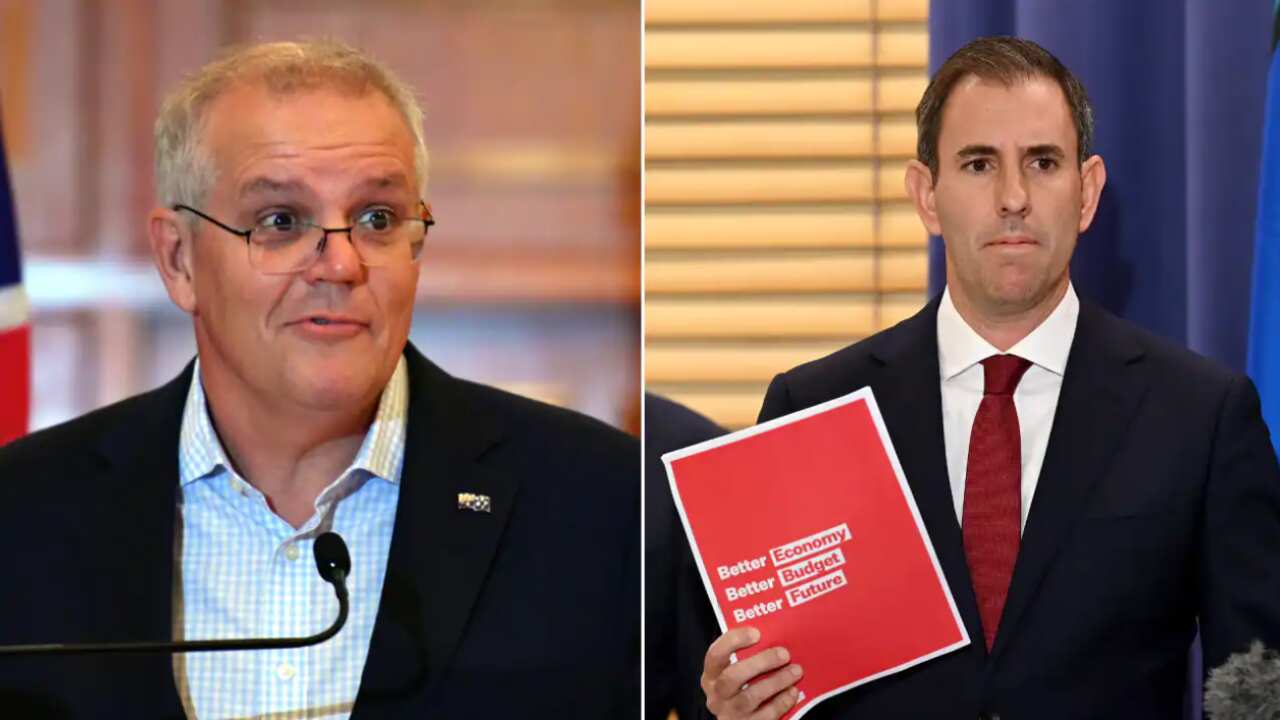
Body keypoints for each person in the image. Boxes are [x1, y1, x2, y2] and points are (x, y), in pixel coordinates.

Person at [0, 40, 638, 718]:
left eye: (377, 219)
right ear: (179, 259)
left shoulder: (605, 503)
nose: (340, 265)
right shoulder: (21, 512)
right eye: (280, 221)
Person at [693, 36, 1280, 719]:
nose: (1013, 198)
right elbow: (777, 674)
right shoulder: (815, 405)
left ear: (1086, 193)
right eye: (978, 164)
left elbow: (1257, 683)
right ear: (927, 196)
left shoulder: (1200, 416)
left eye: (1043, 162)